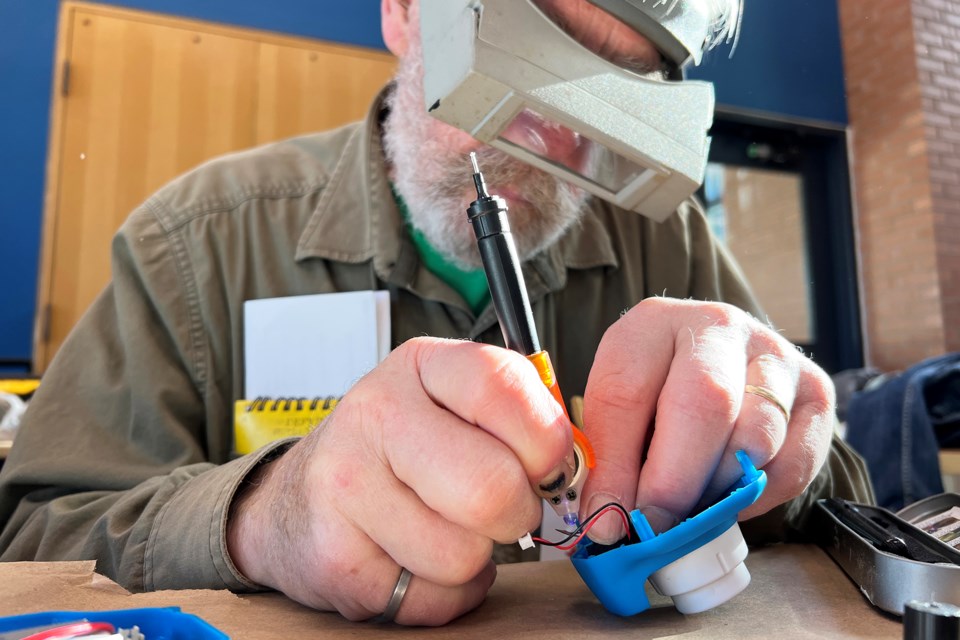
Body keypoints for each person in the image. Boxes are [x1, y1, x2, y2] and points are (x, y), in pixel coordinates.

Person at [0, 0, 873, 627]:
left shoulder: (665, 240)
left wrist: (780, 429)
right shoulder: (194, 244)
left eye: (614, 93)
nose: (557, 139)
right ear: (404, 11)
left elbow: (843, 502)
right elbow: (34, 536)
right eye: (526, 59)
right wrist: (261, 519)